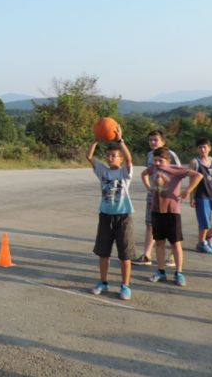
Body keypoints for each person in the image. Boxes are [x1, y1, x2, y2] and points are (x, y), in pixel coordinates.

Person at [142, 147, 202, 286]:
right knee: (159, 242)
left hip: (172, 211)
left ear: (168, 160)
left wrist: (187, 190)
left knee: (175, 243)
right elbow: (144, 174)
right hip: (157, 210)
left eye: (160, 160)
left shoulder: (176, 169)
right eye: (155, 160)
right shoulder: (153, 168)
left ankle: (179, 273)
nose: (157, 163)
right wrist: (148, 187)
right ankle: (160, 271)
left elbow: (198, 175)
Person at [86, 128, 135, 301]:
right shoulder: (102, 171)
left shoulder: (125, 172)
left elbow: (129, 159)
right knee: (103, 253)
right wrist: (95, 139)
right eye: (108, 155)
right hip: (105, 215)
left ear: (120, 158)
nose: (110, 158)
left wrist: (121, 141)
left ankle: (125, 286)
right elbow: (89, 157)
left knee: (125, 254)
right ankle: (103, 282)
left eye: (114, 155)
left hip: (123, 216)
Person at [132, 130, 181, 267]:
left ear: (163, 142)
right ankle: (147, 255)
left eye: (156, 140)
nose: (152, 142)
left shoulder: (171, 155)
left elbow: (179, 174)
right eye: (150, 140)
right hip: (153, 197)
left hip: (169, 197)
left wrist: (174, 193)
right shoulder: (149, 155)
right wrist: (149, 188)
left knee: (171, 227)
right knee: (150, 224)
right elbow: (147, 173)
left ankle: (172, 255)